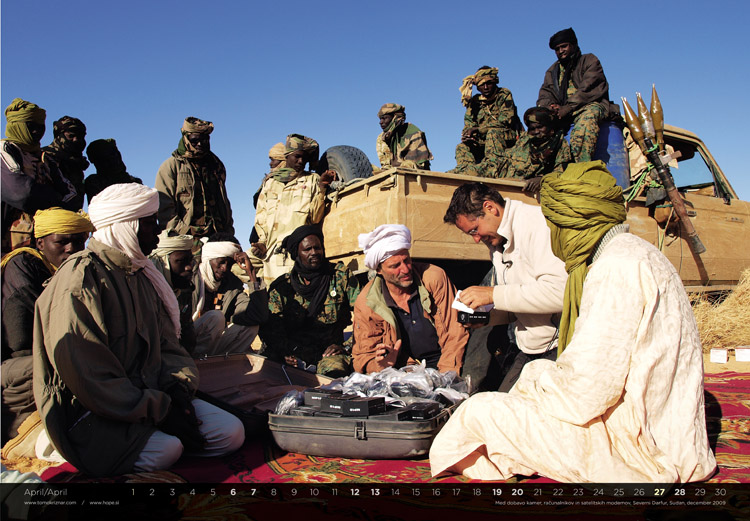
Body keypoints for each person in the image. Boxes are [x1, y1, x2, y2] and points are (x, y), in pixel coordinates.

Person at [430, 162, 716, 483]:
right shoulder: (631, 253)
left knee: (478, 413)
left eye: (556, 226)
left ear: (571, 223)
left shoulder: (614, 269)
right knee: (509, 396)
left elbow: (587, 392)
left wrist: (535, 382)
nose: (554, 237)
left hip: (641, 437)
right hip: (651, 422)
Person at [33, 183, 244, 477]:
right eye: (149, 223)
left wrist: (177, 392)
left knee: (230, 433)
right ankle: (59, 444)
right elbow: (90, 378)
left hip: (152, 396)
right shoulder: (81, 278)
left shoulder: (142, 275)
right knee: (167, 450)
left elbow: (169, 346)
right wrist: (162, 410)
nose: (157, 232)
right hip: (98, 407)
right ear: (126, 226)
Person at [443, 182, 567, 392]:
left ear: (490, 208)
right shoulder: (496, 240)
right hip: (529, 349)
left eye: (474, 230)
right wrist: (486, 318)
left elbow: (560, 293)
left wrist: (493, 294)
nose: (476, 239)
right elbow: (520, 303)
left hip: (561, 348)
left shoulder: (537, 226)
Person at [1, 208, 92, 443]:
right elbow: (20, 340)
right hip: (18, 365)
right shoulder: (21, 266)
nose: (71, 249)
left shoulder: (73, 269)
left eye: (78, 241)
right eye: (62, 242)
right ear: (40, 243)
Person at [352, 224, 468, 374]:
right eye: (395, 266)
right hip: (406, 371)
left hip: (446, 361)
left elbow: (455, 331)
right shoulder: (367, 302)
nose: (406, 269)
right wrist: (381, 365)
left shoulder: (433, 278)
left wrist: (446, 375)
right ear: (379, 270)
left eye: (407, 260)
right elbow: (363, 357)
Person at [263, 225, 361, 377]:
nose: (314, 252)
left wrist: (346, 346)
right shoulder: (282, 287)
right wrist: (284, 352)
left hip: (329, 354)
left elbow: (366, 316)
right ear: (297, 253)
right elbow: (271, 328)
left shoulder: (340, 276)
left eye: (317, 248)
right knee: (267, 371)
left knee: (333, 376)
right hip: (294, 353)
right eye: (307, 249)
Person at [251, 134, 335, 286]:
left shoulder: (312, 180)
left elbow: (315, 218)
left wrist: (322, 188)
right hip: (272, 256)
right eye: (297, 156)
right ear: (287, 156)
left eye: (304, 158)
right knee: (275, 295)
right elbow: (261, 217)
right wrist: (262, 242)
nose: (301, 161)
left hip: (299, 256)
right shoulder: (270, 183)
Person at [2, 98, 77, 254]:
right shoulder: (5, 151)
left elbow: (71, 195)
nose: (37, 131)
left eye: (40, 127)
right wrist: (55, 201)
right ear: (17, 126)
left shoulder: (45, 158)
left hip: (45, 243)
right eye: (30, 126)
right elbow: (21, 192)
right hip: (10, 245)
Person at [537, 28, 617, 162]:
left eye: (564, 46)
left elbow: (588, 89)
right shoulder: (552, 71)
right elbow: (545, 94)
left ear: (573, 45)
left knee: (587, 119)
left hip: (590, 105)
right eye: (557, 49)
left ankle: (582, 165)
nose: (561, 51)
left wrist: (568, 107)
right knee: (537, 125)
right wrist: (550, 108)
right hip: (564, 113)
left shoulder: (589, 60)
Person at [156, 117, 234, 238]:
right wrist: (184, 232)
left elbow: (224, 204)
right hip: (185, 238)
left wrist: (228, 233)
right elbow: (165, 209)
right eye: (194, 140)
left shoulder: (216, 166)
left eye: (204, 140)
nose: (199, 144)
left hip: (217, 236)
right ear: (185, 138)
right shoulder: (171, 166)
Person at [194, 233, 268, 356]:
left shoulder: (231, 284)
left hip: (209, 348)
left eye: (229, 264)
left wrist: (251, 273)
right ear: (209, 258)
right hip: (185, 341)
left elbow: (257, 316)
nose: (225, 268)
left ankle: (214, 363)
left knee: (250, 327)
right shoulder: (191, 278)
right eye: (221, 262)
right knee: (216, 318)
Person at [455, 66, 521, 177]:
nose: (485, 87)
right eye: (482, 84)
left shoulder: (503, 95)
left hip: (505, 137)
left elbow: (505, 121)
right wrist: (468, 135)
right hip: (483, 142)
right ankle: (466, 173)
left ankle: (493, 170)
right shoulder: (475, 102)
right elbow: (469, 123)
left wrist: (479, 130)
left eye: (489, 83)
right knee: (461, 147)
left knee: (493, 133)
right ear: (477, 86)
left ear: (495, 82)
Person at [489, 107, 572, 195]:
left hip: (530, 191)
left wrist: (541, 179)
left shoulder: (559, 144)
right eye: (532, 129)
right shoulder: (525, 140)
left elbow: (560, 173)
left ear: (549, 125)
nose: (536, 132)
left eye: (540, 127)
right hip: (508, 183)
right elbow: (508, 158)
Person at [148, 230, 201, 354]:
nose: (189, 267)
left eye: (190, 261)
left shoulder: (183, 291)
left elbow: (188, 337)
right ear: (162, 262)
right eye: (181, 261)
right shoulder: (147, 292)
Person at [42, 116, 89, 210]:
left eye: (80, 136)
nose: (76, 140)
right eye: (71, 136)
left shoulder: (76, 162)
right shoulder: (45, 158)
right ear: (59, 136)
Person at [84, 138, 142, 204]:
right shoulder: (94, 182)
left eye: (113, 154)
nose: (113, 160)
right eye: (104, 158)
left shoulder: (134, 182)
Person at [375, 103, 433, 170]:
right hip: (393, 174)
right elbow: (386, 165)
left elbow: (418, 166)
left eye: (385, 118)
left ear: (395, 118)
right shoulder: (382, 138)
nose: (381, 122)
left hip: (413, 175)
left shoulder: (412, 133)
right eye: (380, 119)